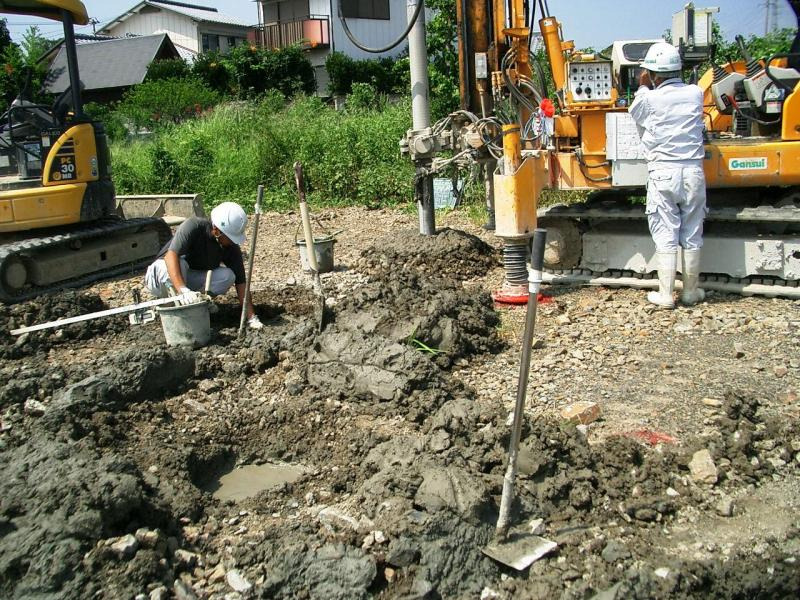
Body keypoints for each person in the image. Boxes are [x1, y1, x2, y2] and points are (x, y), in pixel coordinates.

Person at [629, 41, 707, 309]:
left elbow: (636, 113)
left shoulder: (648, 98)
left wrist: (641, 85)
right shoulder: (696, 93)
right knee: (692, 231)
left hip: (664, 172)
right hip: (693, 172)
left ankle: (665, 295)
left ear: (652, 74)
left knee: (666, 233)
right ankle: (690, 292)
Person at [144, 201, 263, 329]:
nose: (232, 241)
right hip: (162, 275)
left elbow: (241, 283)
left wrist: (251, 317)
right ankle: (174, 305)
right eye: (229, 237)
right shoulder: (194, 226)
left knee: (228, 275)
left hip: (189, 278)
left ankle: (197, 303)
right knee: (180, 262)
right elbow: (170, 256)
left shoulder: (230, 247)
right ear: (216, 230)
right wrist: (183, 290)